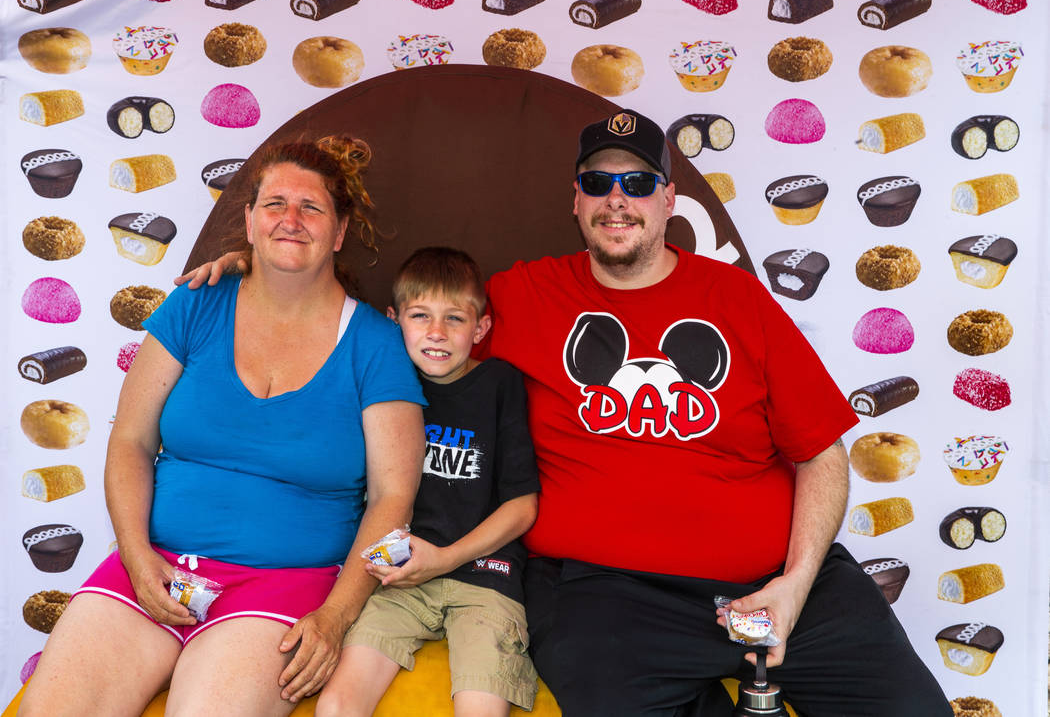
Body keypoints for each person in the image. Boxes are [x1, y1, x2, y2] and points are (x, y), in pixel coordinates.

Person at [180, 111, 952, 716]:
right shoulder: (519, 298)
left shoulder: (736, 299)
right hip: (610, 597)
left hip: (776, 583)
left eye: (639, 183)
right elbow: (419, 315)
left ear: (668, 201)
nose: (619, 200)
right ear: (576, 200)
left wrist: (795, 582)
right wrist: (268, 265)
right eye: (600, 183)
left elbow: (822, 452)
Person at [19, 136, 427, 716]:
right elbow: (130, 440)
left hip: (283, 586)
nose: (291, 219)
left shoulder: (376, 345)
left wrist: (335, 617)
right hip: (156, 566)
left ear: (338, 233)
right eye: (275, 204)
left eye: (312, 207)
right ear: (249, 220)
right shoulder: (195, 304)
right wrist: (135, 557)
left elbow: (393, 499)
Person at [315, 247, 540, 717]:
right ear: (394, 320)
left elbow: (523, 506)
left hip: (484, 577)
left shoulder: (500, 384)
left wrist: (445, 559)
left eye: (454, 319)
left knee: (481, 709)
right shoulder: (383, 386)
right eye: (421, 316)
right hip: (397, 579)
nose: (436, 334)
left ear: (480, 328)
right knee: (337, 705)